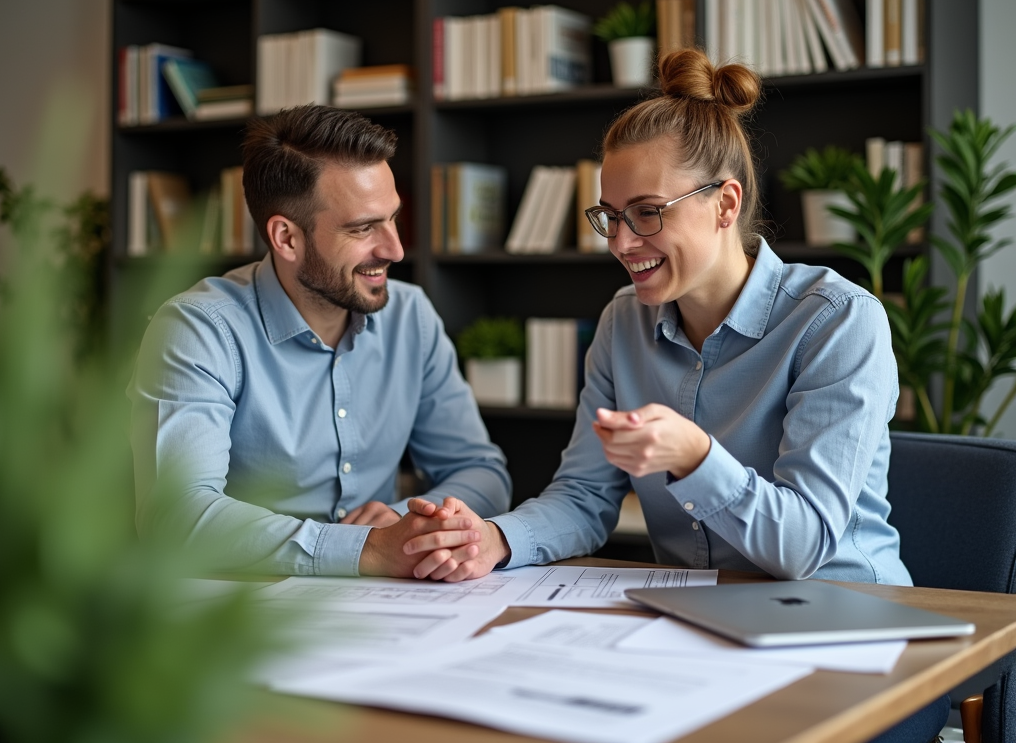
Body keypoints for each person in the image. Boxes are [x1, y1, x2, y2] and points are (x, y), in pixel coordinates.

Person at [402, 48, 946, 742]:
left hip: (847, 627)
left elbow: (803, 546)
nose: (623, 242)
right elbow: (583, 498)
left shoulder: (836, 320)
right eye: (610, 217)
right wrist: (494, 540)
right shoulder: (622, 322)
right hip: (698, 631)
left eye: (649, 213)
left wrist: (695, 456)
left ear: (726, 204)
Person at [127, 104, 508, 578]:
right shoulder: (199, 329)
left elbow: (482, 471)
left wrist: (410, 522)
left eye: (393, 219)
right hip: (234, 617)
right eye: (363, 227)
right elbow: (177, 515)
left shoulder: (411, 315)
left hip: (382, 608)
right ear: (286, 238)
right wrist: (363, 548)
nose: (395, 249)